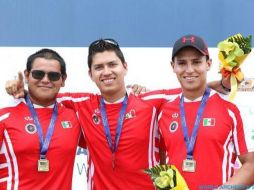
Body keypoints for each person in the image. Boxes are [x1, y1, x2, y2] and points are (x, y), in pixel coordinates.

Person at [5, 39, 230, 190]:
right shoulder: (81, 104)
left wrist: (223, 83)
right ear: (90, 74)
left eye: (112, 64)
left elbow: (191, 88)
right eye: (99, 67)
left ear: (125, 66)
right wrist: (22, 90)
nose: (107, 72)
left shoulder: (149, 100)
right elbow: (44, 92)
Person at [158, 34, 254, 189]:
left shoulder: (230, 110)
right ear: (173, 66)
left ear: (208, 64)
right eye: (182, 63)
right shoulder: (164, 112)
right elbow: (162, 162)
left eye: (196, 62)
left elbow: (251, 165)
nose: (189, 70)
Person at [0, 49, 82, 190]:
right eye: (38, 74)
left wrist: (132, 92)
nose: (45, 80)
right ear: (27, 76)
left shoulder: (76, 117)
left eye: (53, 76)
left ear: (63, 80)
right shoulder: (4, 117)